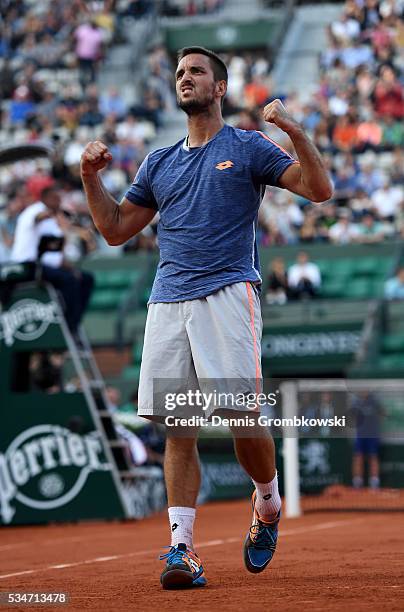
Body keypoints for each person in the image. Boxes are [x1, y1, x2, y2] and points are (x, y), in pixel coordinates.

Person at [80, 46, 332, 590]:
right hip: (167, 300)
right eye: (179, 72)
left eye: (196, 72)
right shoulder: (159, 161)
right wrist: (89, 176)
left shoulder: (248, 146)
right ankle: (181, 549)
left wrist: (294, 131)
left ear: (219, 88)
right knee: (179, 427)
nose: (185, 78)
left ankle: (267, 502)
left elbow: (320, 190)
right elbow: (116, 229)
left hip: (228, 293)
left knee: (243, 418)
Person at [10, 185, 94, 336]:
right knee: (70, 281)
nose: (59, 202)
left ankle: (72, 323)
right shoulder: (35, 210)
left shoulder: (52, 222)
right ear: (45, 198)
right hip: (25, 266)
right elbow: (37, 218)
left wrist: (72, 268)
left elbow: (54, 254)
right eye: (55, 199)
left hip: (41, 265)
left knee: (86, 279)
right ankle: (67, 327)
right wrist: (54, 215)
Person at [350, 391, 384, 489]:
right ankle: (357, 482)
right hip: (360, 435)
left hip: (373, 435)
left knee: (373, 457)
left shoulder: (374, 401)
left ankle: (374, 483)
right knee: (358, 457)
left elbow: (382, 414)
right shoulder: (356, 401)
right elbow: (352, 416)